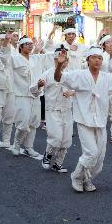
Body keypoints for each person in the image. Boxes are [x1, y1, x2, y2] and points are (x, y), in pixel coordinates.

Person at [56, 46, 112, 192]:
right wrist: (59, 64)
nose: (98, 60)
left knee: (100, 158)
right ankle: (76, 177)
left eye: (100, 58)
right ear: (88, 59)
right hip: (84, 121)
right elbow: (59, 77)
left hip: (101, 122)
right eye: (95, 57)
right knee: (91, 153)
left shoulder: (107, 77)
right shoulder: (79, 75)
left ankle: (87, 179)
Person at [40, 45, 76, 173]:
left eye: (65, 60)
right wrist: (38, 86)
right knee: (56, 137)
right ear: (54, 59)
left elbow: (79, 89)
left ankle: (58, 163)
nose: (62, 62)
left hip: (66, 110)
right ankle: (47, 155)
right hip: (53, 110)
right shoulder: (47, 74)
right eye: (58, 59)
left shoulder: (71, 74)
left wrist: (72, 92)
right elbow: (35, 89)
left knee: (66, 140)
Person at [8, 37, 44, 159]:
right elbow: (4, 58)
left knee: (34, 122)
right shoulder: (14, 58)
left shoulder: (36, 58)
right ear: (21, 47)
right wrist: (8, 42)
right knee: (23, 122)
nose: (30, 46)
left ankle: (29, 147)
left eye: (31, 44)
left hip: (35, 94)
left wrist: (39, 49)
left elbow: (51, 57)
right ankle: (16, 145)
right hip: (21, 95)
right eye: (27, 44)